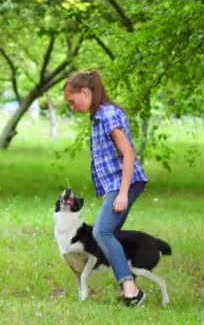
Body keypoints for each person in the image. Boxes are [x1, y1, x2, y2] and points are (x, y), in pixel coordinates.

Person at [63, 70, 148, 307]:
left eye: (72, 101)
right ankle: (129, 278)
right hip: (116, 185)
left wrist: (122, 193)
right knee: (106, 236)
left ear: (86, 92)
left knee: (101, 232)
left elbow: (128, 153)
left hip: (125, 183)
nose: (72, 107)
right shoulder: (98, 116)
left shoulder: (108, 115)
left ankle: (132, 291)